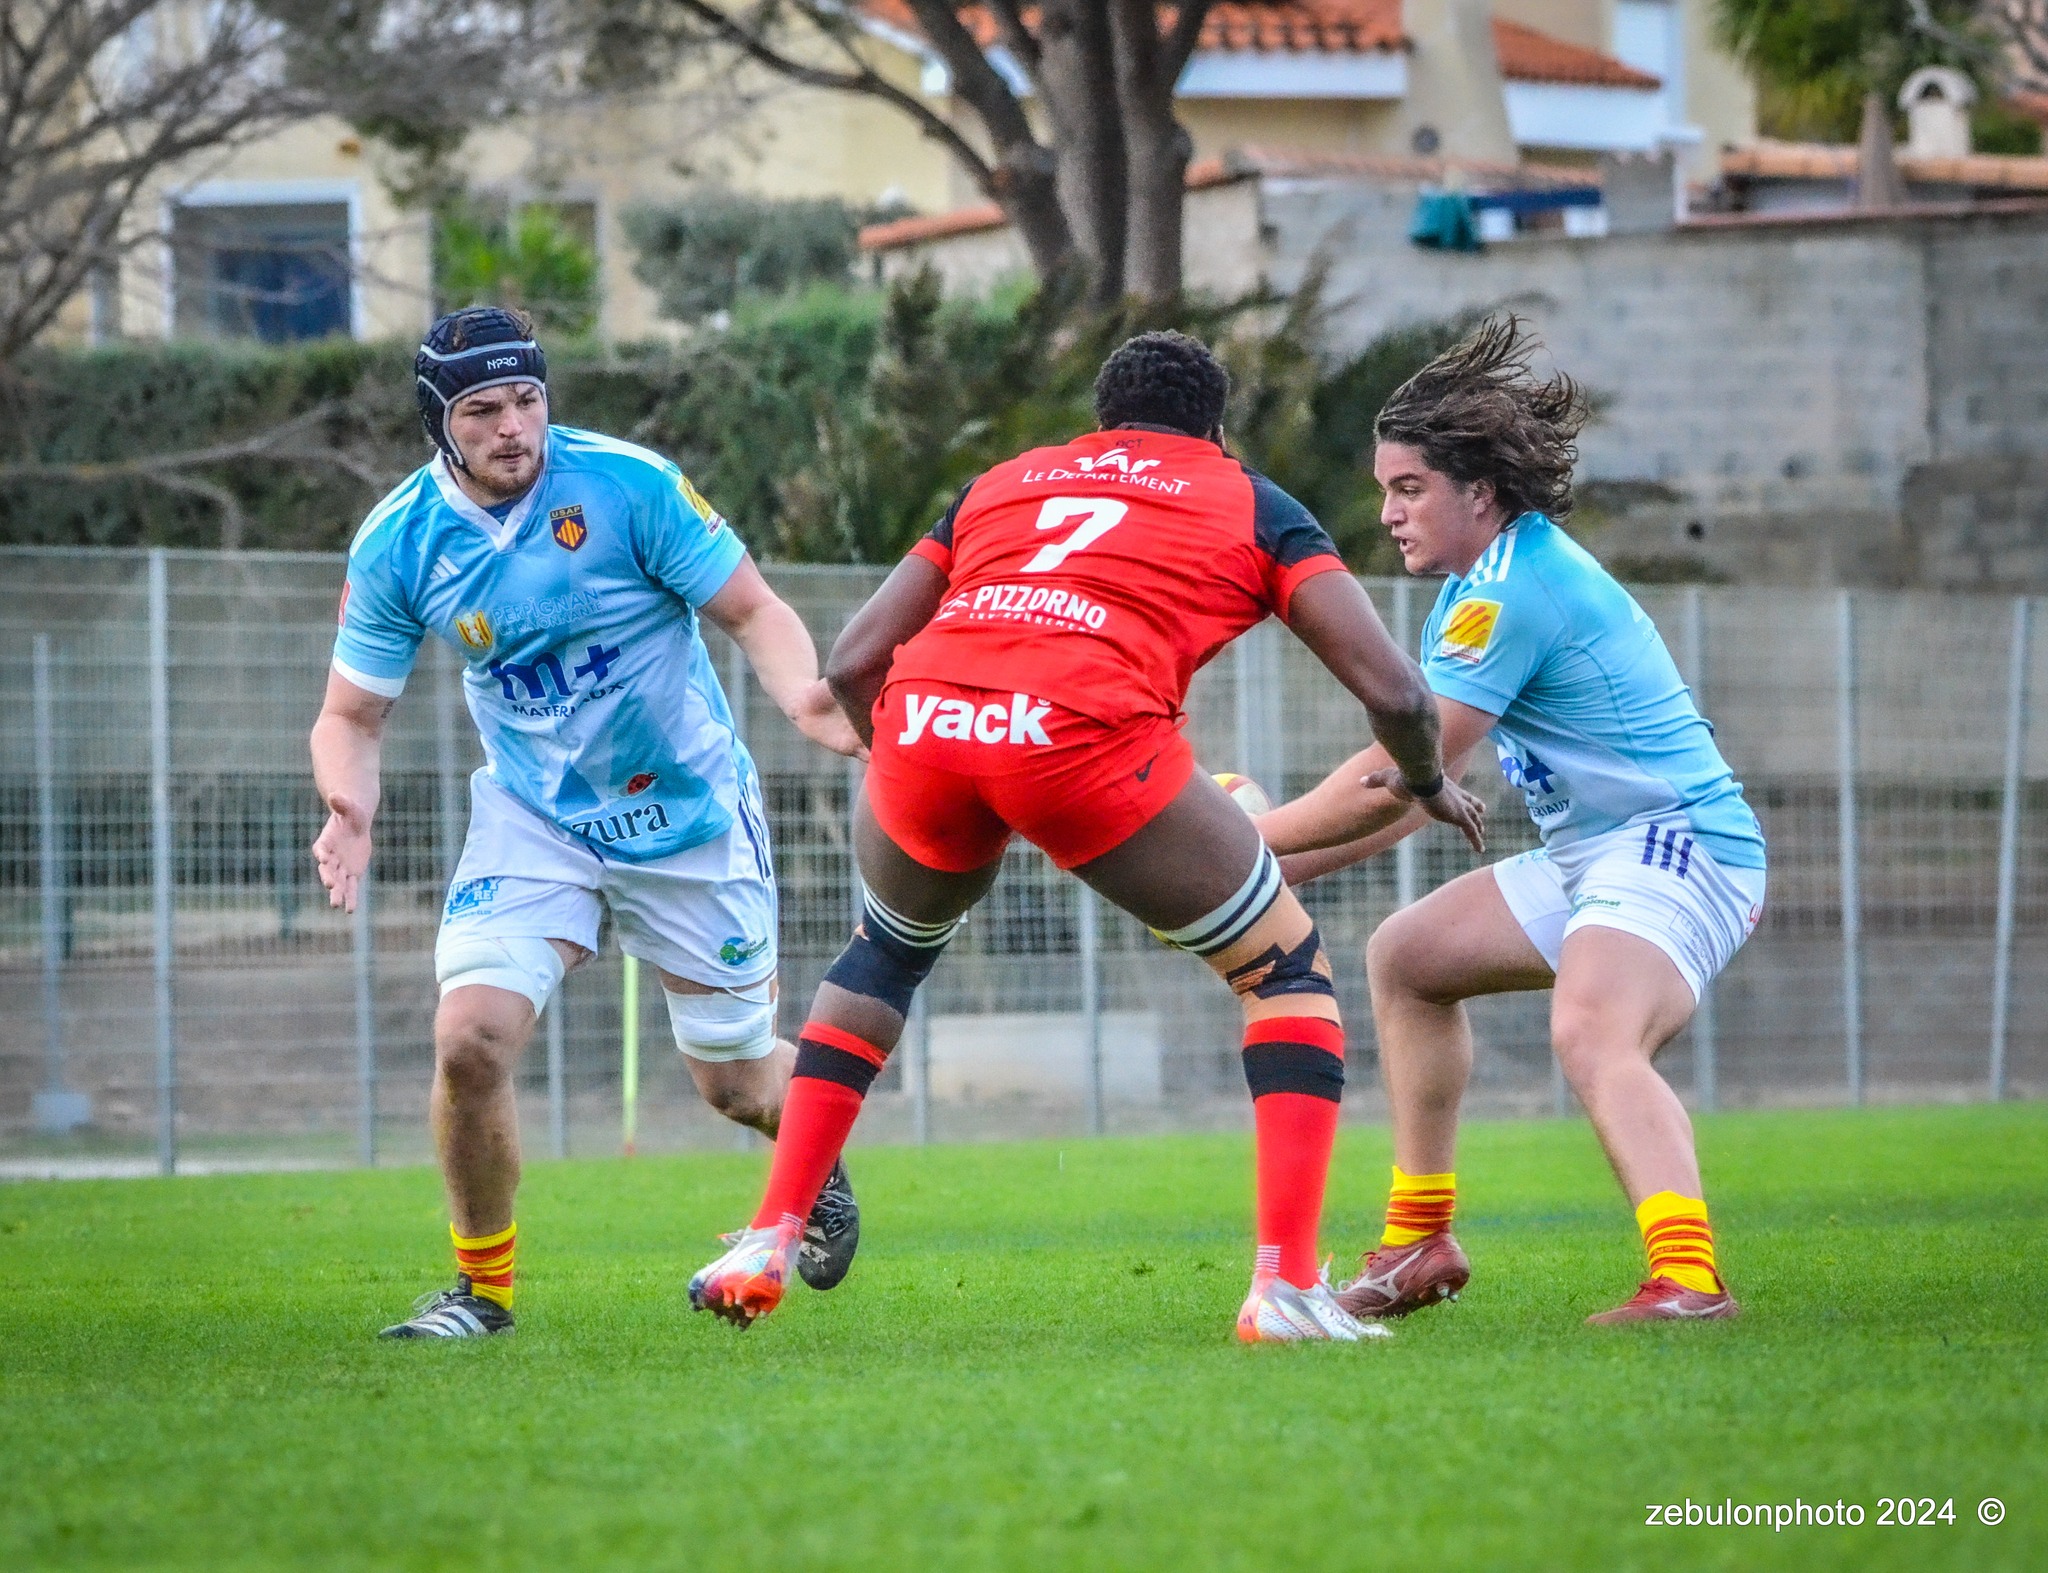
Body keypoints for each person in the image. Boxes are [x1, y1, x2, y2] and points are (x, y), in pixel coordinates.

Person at [682, 330, 1487, 1343]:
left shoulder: (1006, 480)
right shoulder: (1246, 498)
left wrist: (919, 749)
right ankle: (1282, 1288)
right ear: (1215, 426)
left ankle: (766, 1233)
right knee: (1284, 973)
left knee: (881, 956)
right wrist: (1424, 780)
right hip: (1082, 738)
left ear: (1103, 418)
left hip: (928, 720)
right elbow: (1393, 691)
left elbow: (851, 660)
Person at [310, 305, 867, 1338]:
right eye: (482, 409)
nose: (512, 425)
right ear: (441, 422)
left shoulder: (627, 484)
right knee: (468, 1041)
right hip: (534, 821)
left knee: (736, 1082)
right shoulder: (399, 541)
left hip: (688, 819)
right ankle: (481, 1293)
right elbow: (350, 716)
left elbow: (752, 609)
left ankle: (812, 1156)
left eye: (526, 399)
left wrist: (804, 699)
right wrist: (348, 799)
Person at [1257, 317, 1768, 1325]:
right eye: (1384, 489)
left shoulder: (1506, 595)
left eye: (1408, 489)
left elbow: (1383, 772)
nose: (1388, 513)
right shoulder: (1477, 588)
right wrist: (1276, 873)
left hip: (1679, 845)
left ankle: (1687, 1279)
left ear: (1477, 493)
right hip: (1595, 854)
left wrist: (1236, 843)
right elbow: (1414, 785)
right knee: (1407, 958)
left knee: (1589, 1027)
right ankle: (1417, 1240)